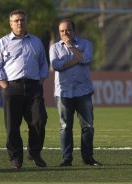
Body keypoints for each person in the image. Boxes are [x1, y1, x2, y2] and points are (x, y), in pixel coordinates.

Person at [0, 9, 49, 169]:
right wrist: (5, 85)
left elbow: (44, 63)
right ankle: (16, 158)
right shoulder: (2, 43)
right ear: (10, 23)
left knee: (39, 120)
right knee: (12, 126)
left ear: (26, 21)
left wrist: (41, 81)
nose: (19, 23)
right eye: (16, 20)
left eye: (22, 20)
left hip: (33, 87)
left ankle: (34, 152)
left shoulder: (36, 42)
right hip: (12, 88)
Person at [49, 19, 102, 167]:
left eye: (68, 30)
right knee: (65, 127)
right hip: (63, 92)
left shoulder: (86, 44)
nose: (65, 33)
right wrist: (76, 59)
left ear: (74, 30)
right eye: (62, 31)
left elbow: (86, 59)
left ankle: (88, 158)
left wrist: (71, 47)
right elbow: (57, 65)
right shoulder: (54, 48)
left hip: (83, 91)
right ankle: (67, 159)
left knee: (88, 126)